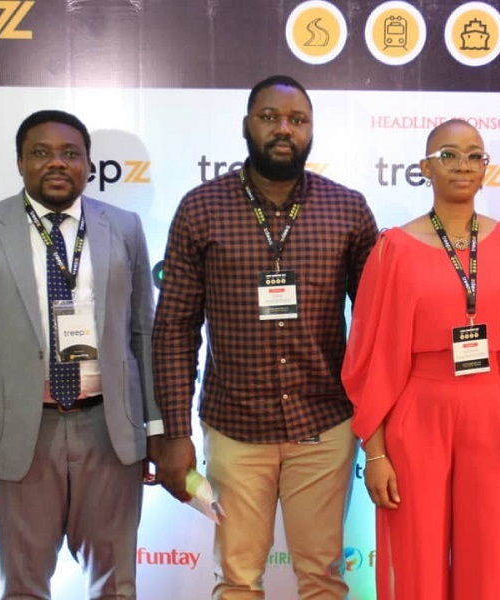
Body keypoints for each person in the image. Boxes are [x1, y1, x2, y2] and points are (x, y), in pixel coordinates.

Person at [151, 74, 378, 599]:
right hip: (235, 426)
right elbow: (175, 329)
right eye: (270, 117)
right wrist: (175, 432)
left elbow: (377, 324)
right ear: (246, 126)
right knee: (237, 578)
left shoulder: (347, 209)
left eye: (297, 120)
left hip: (323, 424)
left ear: (311, 131)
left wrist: (383, 425)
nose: (284, 129)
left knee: (323, 577)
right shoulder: (201, 208)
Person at [0, 109, 162, 598]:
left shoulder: (124, 227)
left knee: (116, 585)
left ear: (88, 165)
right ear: (20, 162)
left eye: (70, 153)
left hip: (110, 433)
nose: (57, 163)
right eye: (41, 152)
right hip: (20, 437)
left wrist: (157, 428)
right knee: (23, 585)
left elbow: (143, 332)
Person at [342, 119, 500, 600]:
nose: (463, 164)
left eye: (474, 155)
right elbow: (371, 358)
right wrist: (375, 452)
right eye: (449, 154)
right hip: (417, 414)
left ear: (486, 169)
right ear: (425, 168)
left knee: (489, 561)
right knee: (417, 559)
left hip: (495, 412)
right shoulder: (393, 249)